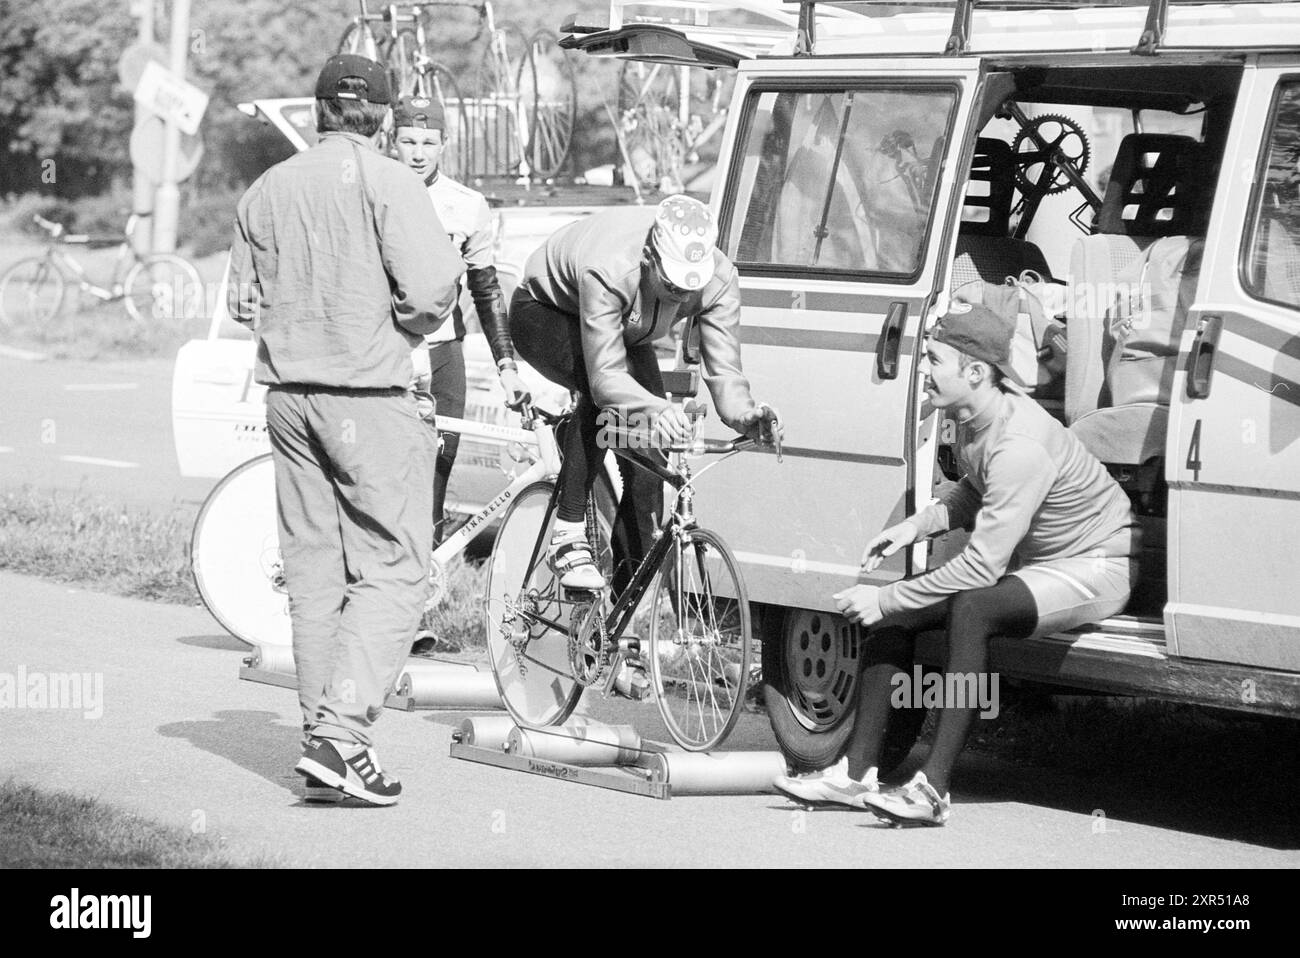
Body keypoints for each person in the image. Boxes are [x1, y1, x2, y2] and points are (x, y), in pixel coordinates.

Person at [774, 302, 1138, 825]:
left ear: (974, 372)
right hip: (1041, 565)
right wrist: (916, 527)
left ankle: (933, 789)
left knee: (971, 607)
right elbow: (974, 489)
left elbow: (980, 570)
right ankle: (855, 775)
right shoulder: (974, 416)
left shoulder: (1020, 444)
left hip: (1097, 565)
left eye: (933, 360)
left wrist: (882, 596)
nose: (922, 369)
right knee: (904, 613)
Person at [228, 54, 464, 806]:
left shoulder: (266, 188)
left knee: (315, 572)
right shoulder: (392, 180)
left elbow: (242, 304)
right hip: (365, 392)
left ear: (318, 110)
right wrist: (383, 326)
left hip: (287, 397)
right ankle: (342, 736)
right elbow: (432, 293)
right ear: (386, 116)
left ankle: (322, 742)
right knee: (396, 569)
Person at [509, 194, 782, 591]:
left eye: (692, 288)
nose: (682, 298)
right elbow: (606, 379)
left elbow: (724, 369)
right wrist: (654, 408)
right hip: (546, 312)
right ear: (650, 258)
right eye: (672, 285)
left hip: (628, 333)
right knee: (602, 402)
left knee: (649, 465)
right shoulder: (611, 265)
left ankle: (617, 614)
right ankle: (567, 534)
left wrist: (745, 415)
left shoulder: (720, 278)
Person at [390, 95, 530, 541]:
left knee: (439, 465)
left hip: (444, 352)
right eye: (408, 140)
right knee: (384, 467)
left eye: (428, 142)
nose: (417, 152)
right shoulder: (375, 191)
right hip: (388, 348)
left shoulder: (466, 204)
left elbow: (486, 291)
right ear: (391, 141)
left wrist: (507, 366)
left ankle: (422, 580)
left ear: (444, 144)